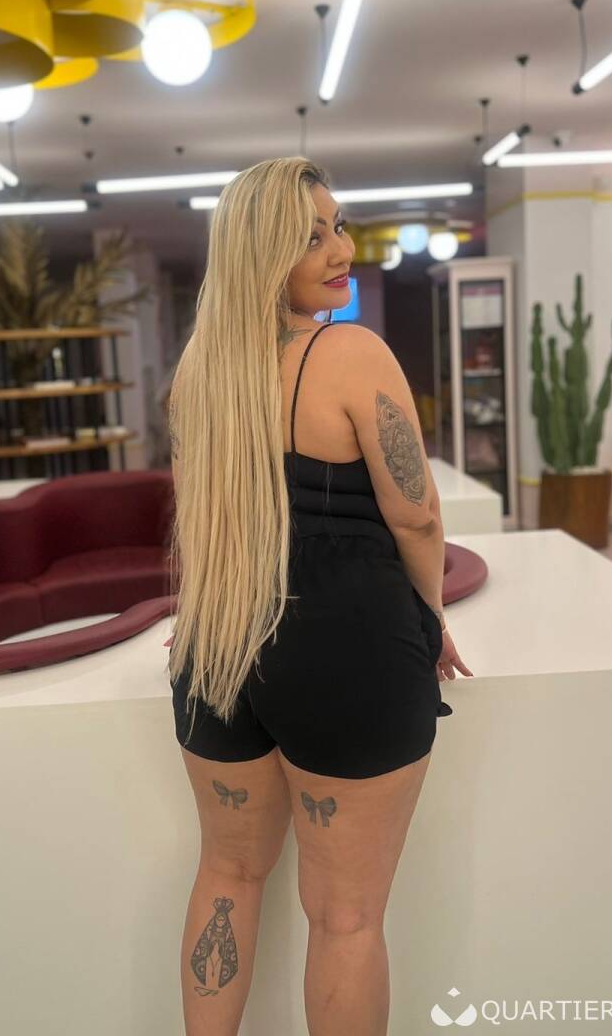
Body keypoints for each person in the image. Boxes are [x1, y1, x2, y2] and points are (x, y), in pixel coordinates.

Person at [166, 156, 473, 1035]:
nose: (340, 251)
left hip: (219, 648)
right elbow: (416, 516)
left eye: (337, 227)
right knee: (345, 917)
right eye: (311, 237)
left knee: (227, 876)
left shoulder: (199, 376)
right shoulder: (350, 353)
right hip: (349, 648)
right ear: (260, 255)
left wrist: (199, 618)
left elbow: (202, 523)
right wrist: (430, 618)